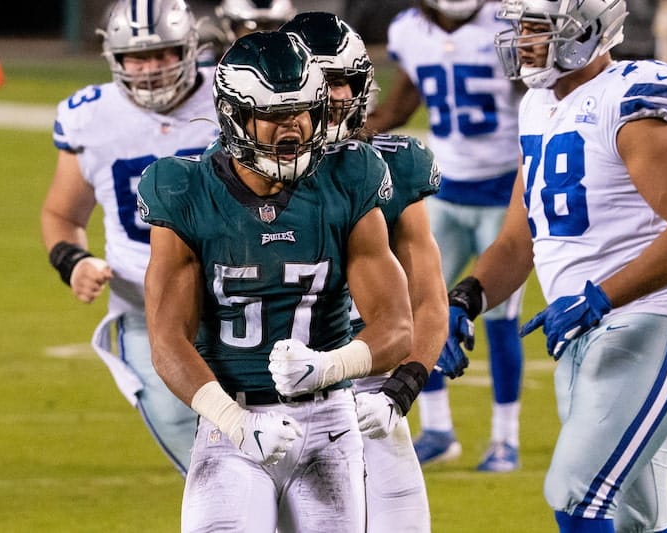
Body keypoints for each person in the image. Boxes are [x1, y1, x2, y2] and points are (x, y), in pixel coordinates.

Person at [138, 31, 413, 532]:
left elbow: (396, 326)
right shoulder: (182, 188)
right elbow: (166, 342)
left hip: (330, 424)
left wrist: (328, 366)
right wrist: (236, 424)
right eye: (274, 116)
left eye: (303, 112)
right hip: (231, 425)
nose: (293, 129)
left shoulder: (349, 176)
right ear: (235, 115)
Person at [438, 0, 667, 530]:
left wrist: (602, 296)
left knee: (576, 490)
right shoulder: (537, 105)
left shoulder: (628, 98)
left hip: (649, 318)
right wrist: (464, 298)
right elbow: (518, 243)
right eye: (521, 27)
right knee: (643, 517)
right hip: (580, 328)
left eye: (538, 27)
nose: (524, 40)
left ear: (588, 28)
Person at [281, 11, 446, 532]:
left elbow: (428, 299)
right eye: (319, 80)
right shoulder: (229, 176)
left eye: (342, 81)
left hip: (369, 384)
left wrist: (403, 388)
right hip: (273, 396)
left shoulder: (392, 166)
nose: (332, 95)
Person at [41, 0, 219, 476]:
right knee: (205, 466)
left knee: (284, 458)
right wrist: (74, 260)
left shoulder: (233, 99)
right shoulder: (90, 117)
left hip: (245, 304)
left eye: (163, 53)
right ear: (114, 59)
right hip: (149, 312)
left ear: (190, 49)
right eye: (136, 57)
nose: (151, 69)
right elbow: (62, 213)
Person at [365, 0, 526, 472]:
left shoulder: (509, 22)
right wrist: (354, 131)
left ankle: (505, 439)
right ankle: (436, 428)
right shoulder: (408, 31)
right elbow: (403, 101)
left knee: (495, 316)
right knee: (415, 306)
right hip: (444, 187)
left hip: (503, 191)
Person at [197, 0, 297, 63]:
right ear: (230, 28)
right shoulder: (205, 73)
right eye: (250, 28)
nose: (260, 36)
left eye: (268, 27)